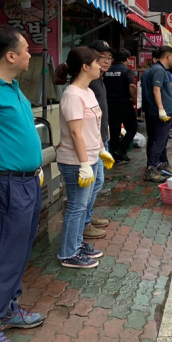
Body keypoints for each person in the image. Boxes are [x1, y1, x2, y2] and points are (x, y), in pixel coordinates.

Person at [0, 27, 46, 342]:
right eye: (26, 49)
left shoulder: (13, 88)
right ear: (10, 55)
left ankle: (9, 307)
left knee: (20, 251)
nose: (31, 53)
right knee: (4, 254)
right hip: (7, 184)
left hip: (28, 181)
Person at [55, 47, 115, 269]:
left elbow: (96, 125)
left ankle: (77, 244)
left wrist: (101, 150)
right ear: (85, 67)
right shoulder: (72, 95)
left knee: (86, 202)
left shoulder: (89, 91)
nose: (101, 66)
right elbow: (75, 133)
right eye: (97, 62)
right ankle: (69, 253)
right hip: (75, 160)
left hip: (91, 156)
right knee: (77, 206)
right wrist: (83, 164)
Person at [84, 40, 114, 240]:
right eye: (101, 57)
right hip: (93, 141)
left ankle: (88, 216)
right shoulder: (88, 81)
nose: (106, 62)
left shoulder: (99, 79)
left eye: (109, 58)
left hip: (102, 137)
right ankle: (84, 223)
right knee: (94, 182)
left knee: (98, 182)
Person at [141, 46, 172, 182]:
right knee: (159, 140)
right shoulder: (159, 70)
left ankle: (162, 163)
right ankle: (151, 169)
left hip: (152, 110)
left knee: (157, 139)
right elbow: (156, 89)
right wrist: (161, 109)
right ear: (168, 57)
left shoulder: (150, 70)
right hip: (160, 112)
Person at [104, 48, 137, 162]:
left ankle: (115, 155)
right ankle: (121, 150)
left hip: (110, 104)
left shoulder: (107, 71)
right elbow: (132, 86)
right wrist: (133, 99)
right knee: (132, 128)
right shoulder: (127, 71)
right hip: (124, 104)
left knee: (114, 130)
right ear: (127, 59)